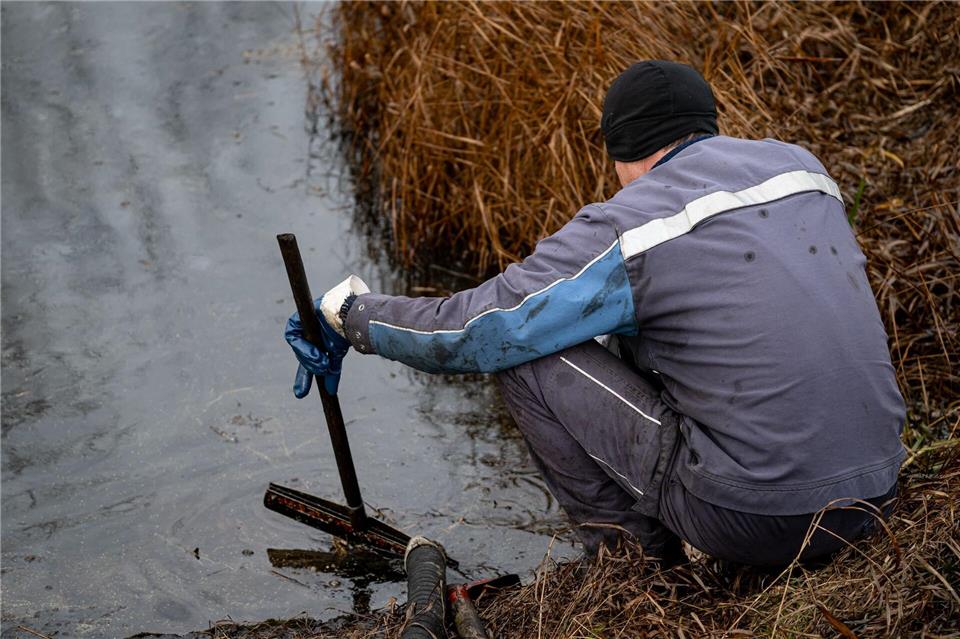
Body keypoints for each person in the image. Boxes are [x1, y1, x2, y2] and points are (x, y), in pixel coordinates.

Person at [285, 61, 905, 567]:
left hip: (761, 519)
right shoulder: (802, 170)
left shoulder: (632, 224)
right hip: (876, 492)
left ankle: (634, 568)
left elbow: (477, 330)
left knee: (525, 352)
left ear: (622, 149)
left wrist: (350, 314)